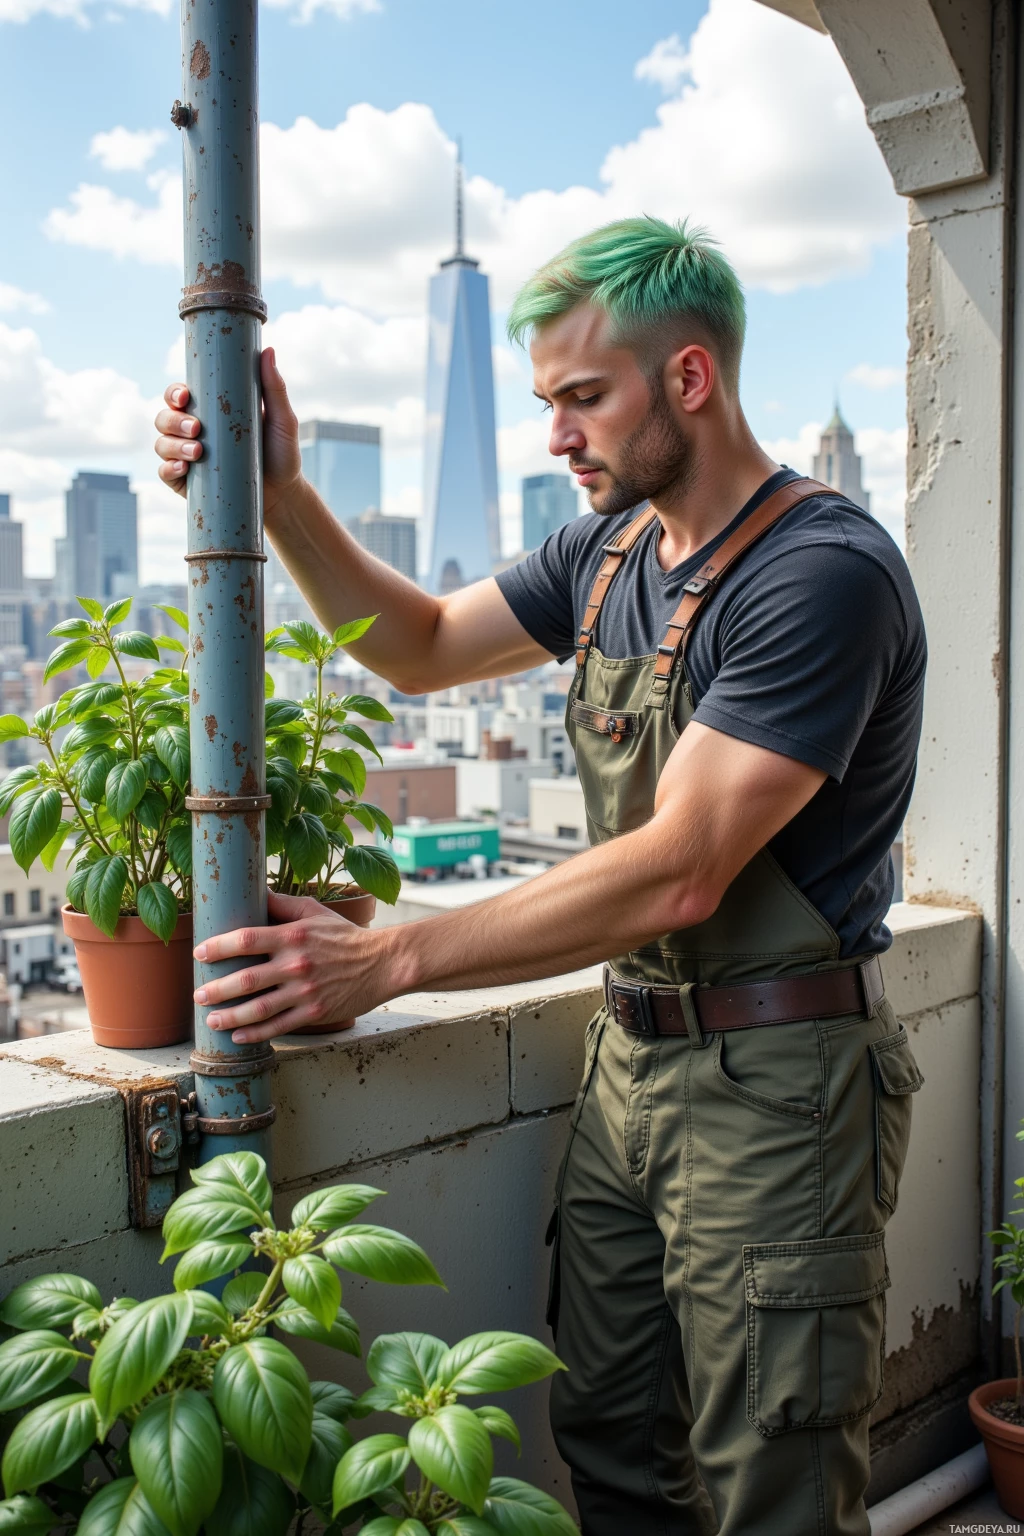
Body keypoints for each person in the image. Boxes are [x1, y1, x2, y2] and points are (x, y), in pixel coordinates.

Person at [154, 216, 926, 1536]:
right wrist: (279, 492)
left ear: (689, 379)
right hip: (629, 1073)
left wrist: (385, 957)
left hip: (781, 1096)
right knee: (614, 1441)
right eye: (545, 403)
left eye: (582, 398)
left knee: (778, 1486)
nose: (558, 436)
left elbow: (682, 871)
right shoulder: (611, 551)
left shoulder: (820, 575)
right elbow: (423, 645)